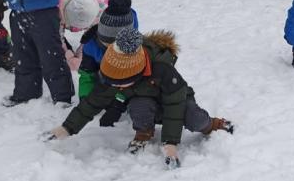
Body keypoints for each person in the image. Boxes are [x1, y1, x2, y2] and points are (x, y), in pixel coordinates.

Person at [47, 28, 234, 169]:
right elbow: (94, 101)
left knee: (195, 118)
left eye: (121, 84)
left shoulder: (162, 69)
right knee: (138, 106)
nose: (117, 87)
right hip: (144, 101)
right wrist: (67, 128)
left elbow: (174, 106)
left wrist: (170, 143)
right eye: (114, 83)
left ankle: (212, 124)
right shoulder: (116, 72)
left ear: (136, 73)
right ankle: (144, 132)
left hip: (176, 101)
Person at [59, 0, 107, 72]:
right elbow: (57, 36)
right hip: (61, 16)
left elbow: (91, 31)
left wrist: (82, 48)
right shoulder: (55, 14)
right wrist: (68, 54)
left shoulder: (99, 9)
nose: (80, 29)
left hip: (91, 15)